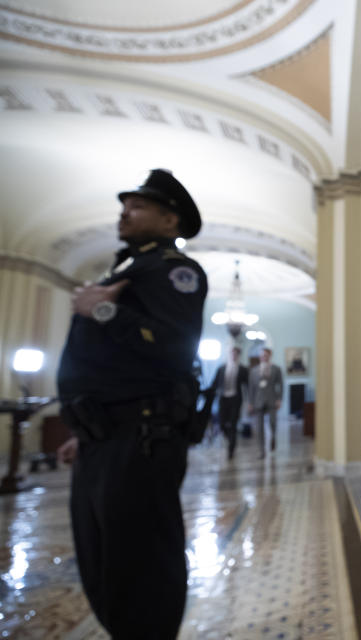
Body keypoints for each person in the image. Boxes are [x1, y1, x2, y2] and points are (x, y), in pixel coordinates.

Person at [55, 168, 207, 639]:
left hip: (141, 439)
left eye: (138, 206)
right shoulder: (125, 270)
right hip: (104, 436)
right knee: (104, 558)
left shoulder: (173, 271)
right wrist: (84, 432)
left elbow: (172, 348)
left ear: (169, 221)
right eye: (124, 205)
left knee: (141, 562)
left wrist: (101, 309)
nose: (125, 212)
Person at [208, 345, 248, 459]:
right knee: (221, 423)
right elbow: (214, 383)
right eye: (232, 353)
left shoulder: (243, 369)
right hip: (223, 399)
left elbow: (248, 385)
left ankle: (231, 449)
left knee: (233, 424)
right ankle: (228, 436)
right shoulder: (221, 368)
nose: (234, 356)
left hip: (235, 399)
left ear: (238, 356)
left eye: (236, 354)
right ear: (230, 354)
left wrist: (251, 401)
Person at [247, 346, 283, 457]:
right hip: (258, 401)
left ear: (269, 356)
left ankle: (273, 438)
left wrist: (279, 399)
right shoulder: (254, 371)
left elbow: (280, 385)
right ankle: (261, 450)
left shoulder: (276, 369)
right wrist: (250, 402)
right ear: (260, 357)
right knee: (259, 427)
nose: (264, 357)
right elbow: (251, 388)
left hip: (272, 399)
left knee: (273, 422)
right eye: (262, 355)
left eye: (266, 355)